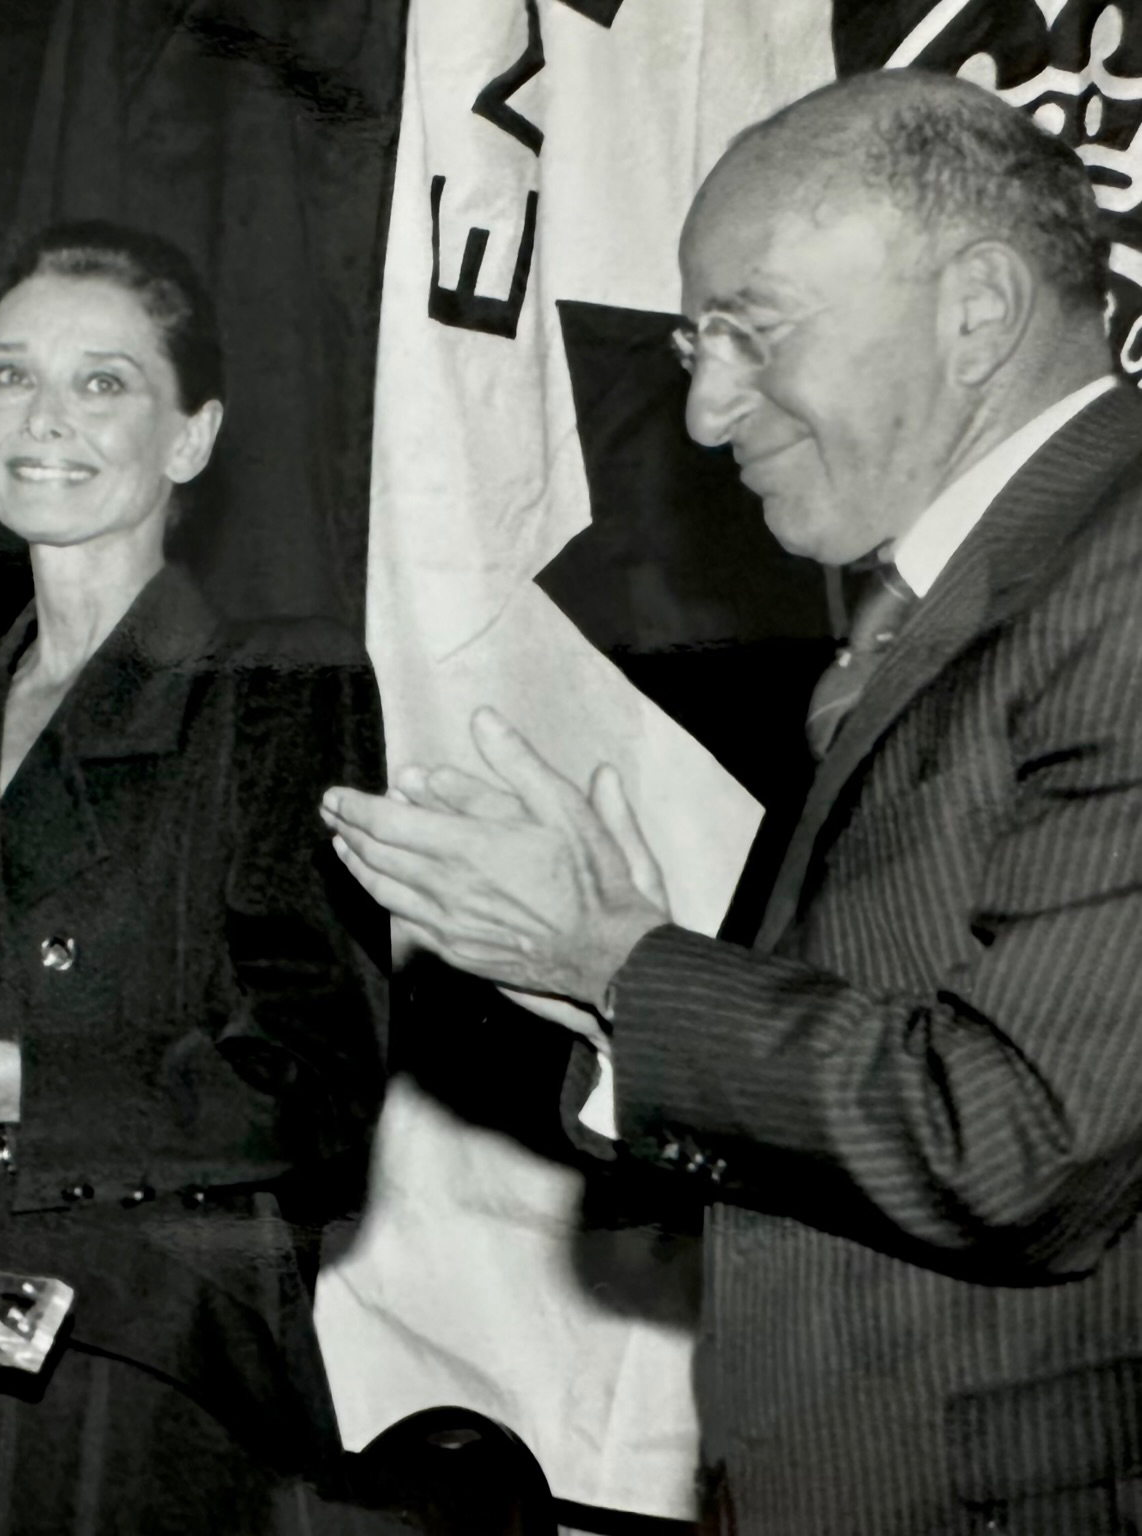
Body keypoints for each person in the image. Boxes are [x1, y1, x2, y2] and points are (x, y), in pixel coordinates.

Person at [322, 71, 1142, 1535]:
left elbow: (1023, 1143)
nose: (701, 411)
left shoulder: (1122, 575)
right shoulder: (960, 597)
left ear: (974, 311)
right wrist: (612, 995)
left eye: (748, 334)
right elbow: (907, 1058)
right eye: (697, 344)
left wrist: (625, 966)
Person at [0, 221, 388, 1535]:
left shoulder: (276, 692)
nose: (40, 417)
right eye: (8, 375)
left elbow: (315, 1079)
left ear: (190, 438)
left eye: (102, 381)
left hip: (137, 1360)